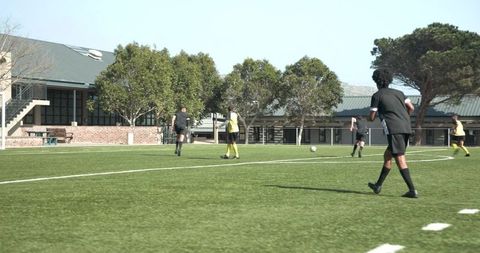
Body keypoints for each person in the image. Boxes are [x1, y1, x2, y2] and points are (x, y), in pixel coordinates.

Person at [367, 69, 418, 198]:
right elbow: (411, 108)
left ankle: (412, 190)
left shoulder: (377, 95)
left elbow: (372, 117)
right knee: (388, 155)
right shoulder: (400, 93)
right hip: (406, 126)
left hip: (394, 128)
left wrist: (369, 118)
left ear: (376, 81)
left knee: (400, 158)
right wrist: (403, 118)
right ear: (389, 80)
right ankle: (378, 185)